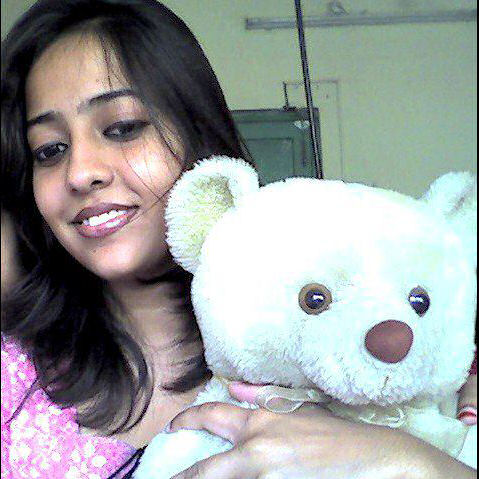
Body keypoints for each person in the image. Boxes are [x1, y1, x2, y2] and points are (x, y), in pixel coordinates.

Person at [0, 0, 476, 478]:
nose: (79, 172)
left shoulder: (380, 348)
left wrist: (403, 458)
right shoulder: (11, 382)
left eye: (123, 128)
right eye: (49, 150)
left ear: (198, 135)